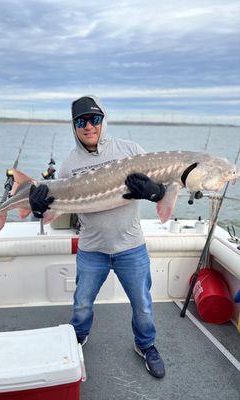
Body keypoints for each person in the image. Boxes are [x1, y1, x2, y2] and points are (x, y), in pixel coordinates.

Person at [29, 95, 166, 378]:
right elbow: (52, 211)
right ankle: (78, 337)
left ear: (103, 120)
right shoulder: (68, 165)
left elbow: (161, 185)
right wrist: (38, 206)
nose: (89, 126)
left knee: (142, 304)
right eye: (81, 121)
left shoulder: (130, 150)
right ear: (74, 126)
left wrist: (157, 192)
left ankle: (146, 345)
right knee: (81, 303)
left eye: (94, 119)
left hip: (131, 247)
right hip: (92, 249)